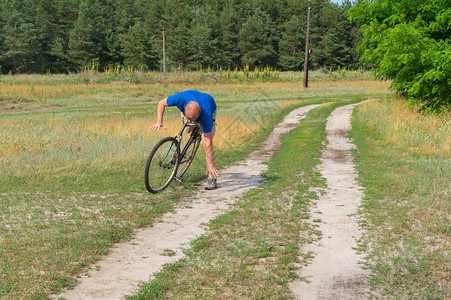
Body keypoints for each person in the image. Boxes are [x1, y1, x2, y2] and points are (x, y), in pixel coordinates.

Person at [150, 90, 219, 190]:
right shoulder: (180, 99)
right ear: (184, 107)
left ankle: (212, 178)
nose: (191, 120)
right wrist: (159, 121)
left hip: (209, 105)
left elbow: (208, 143)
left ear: (199, 114)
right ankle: (193, 130)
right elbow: (161, 103)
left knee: (206, 143)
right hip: (190, 108)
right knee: (187, 129)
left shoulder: (206, 114)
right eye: (189, 118)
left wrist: (210, 165)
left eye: (194, 118)